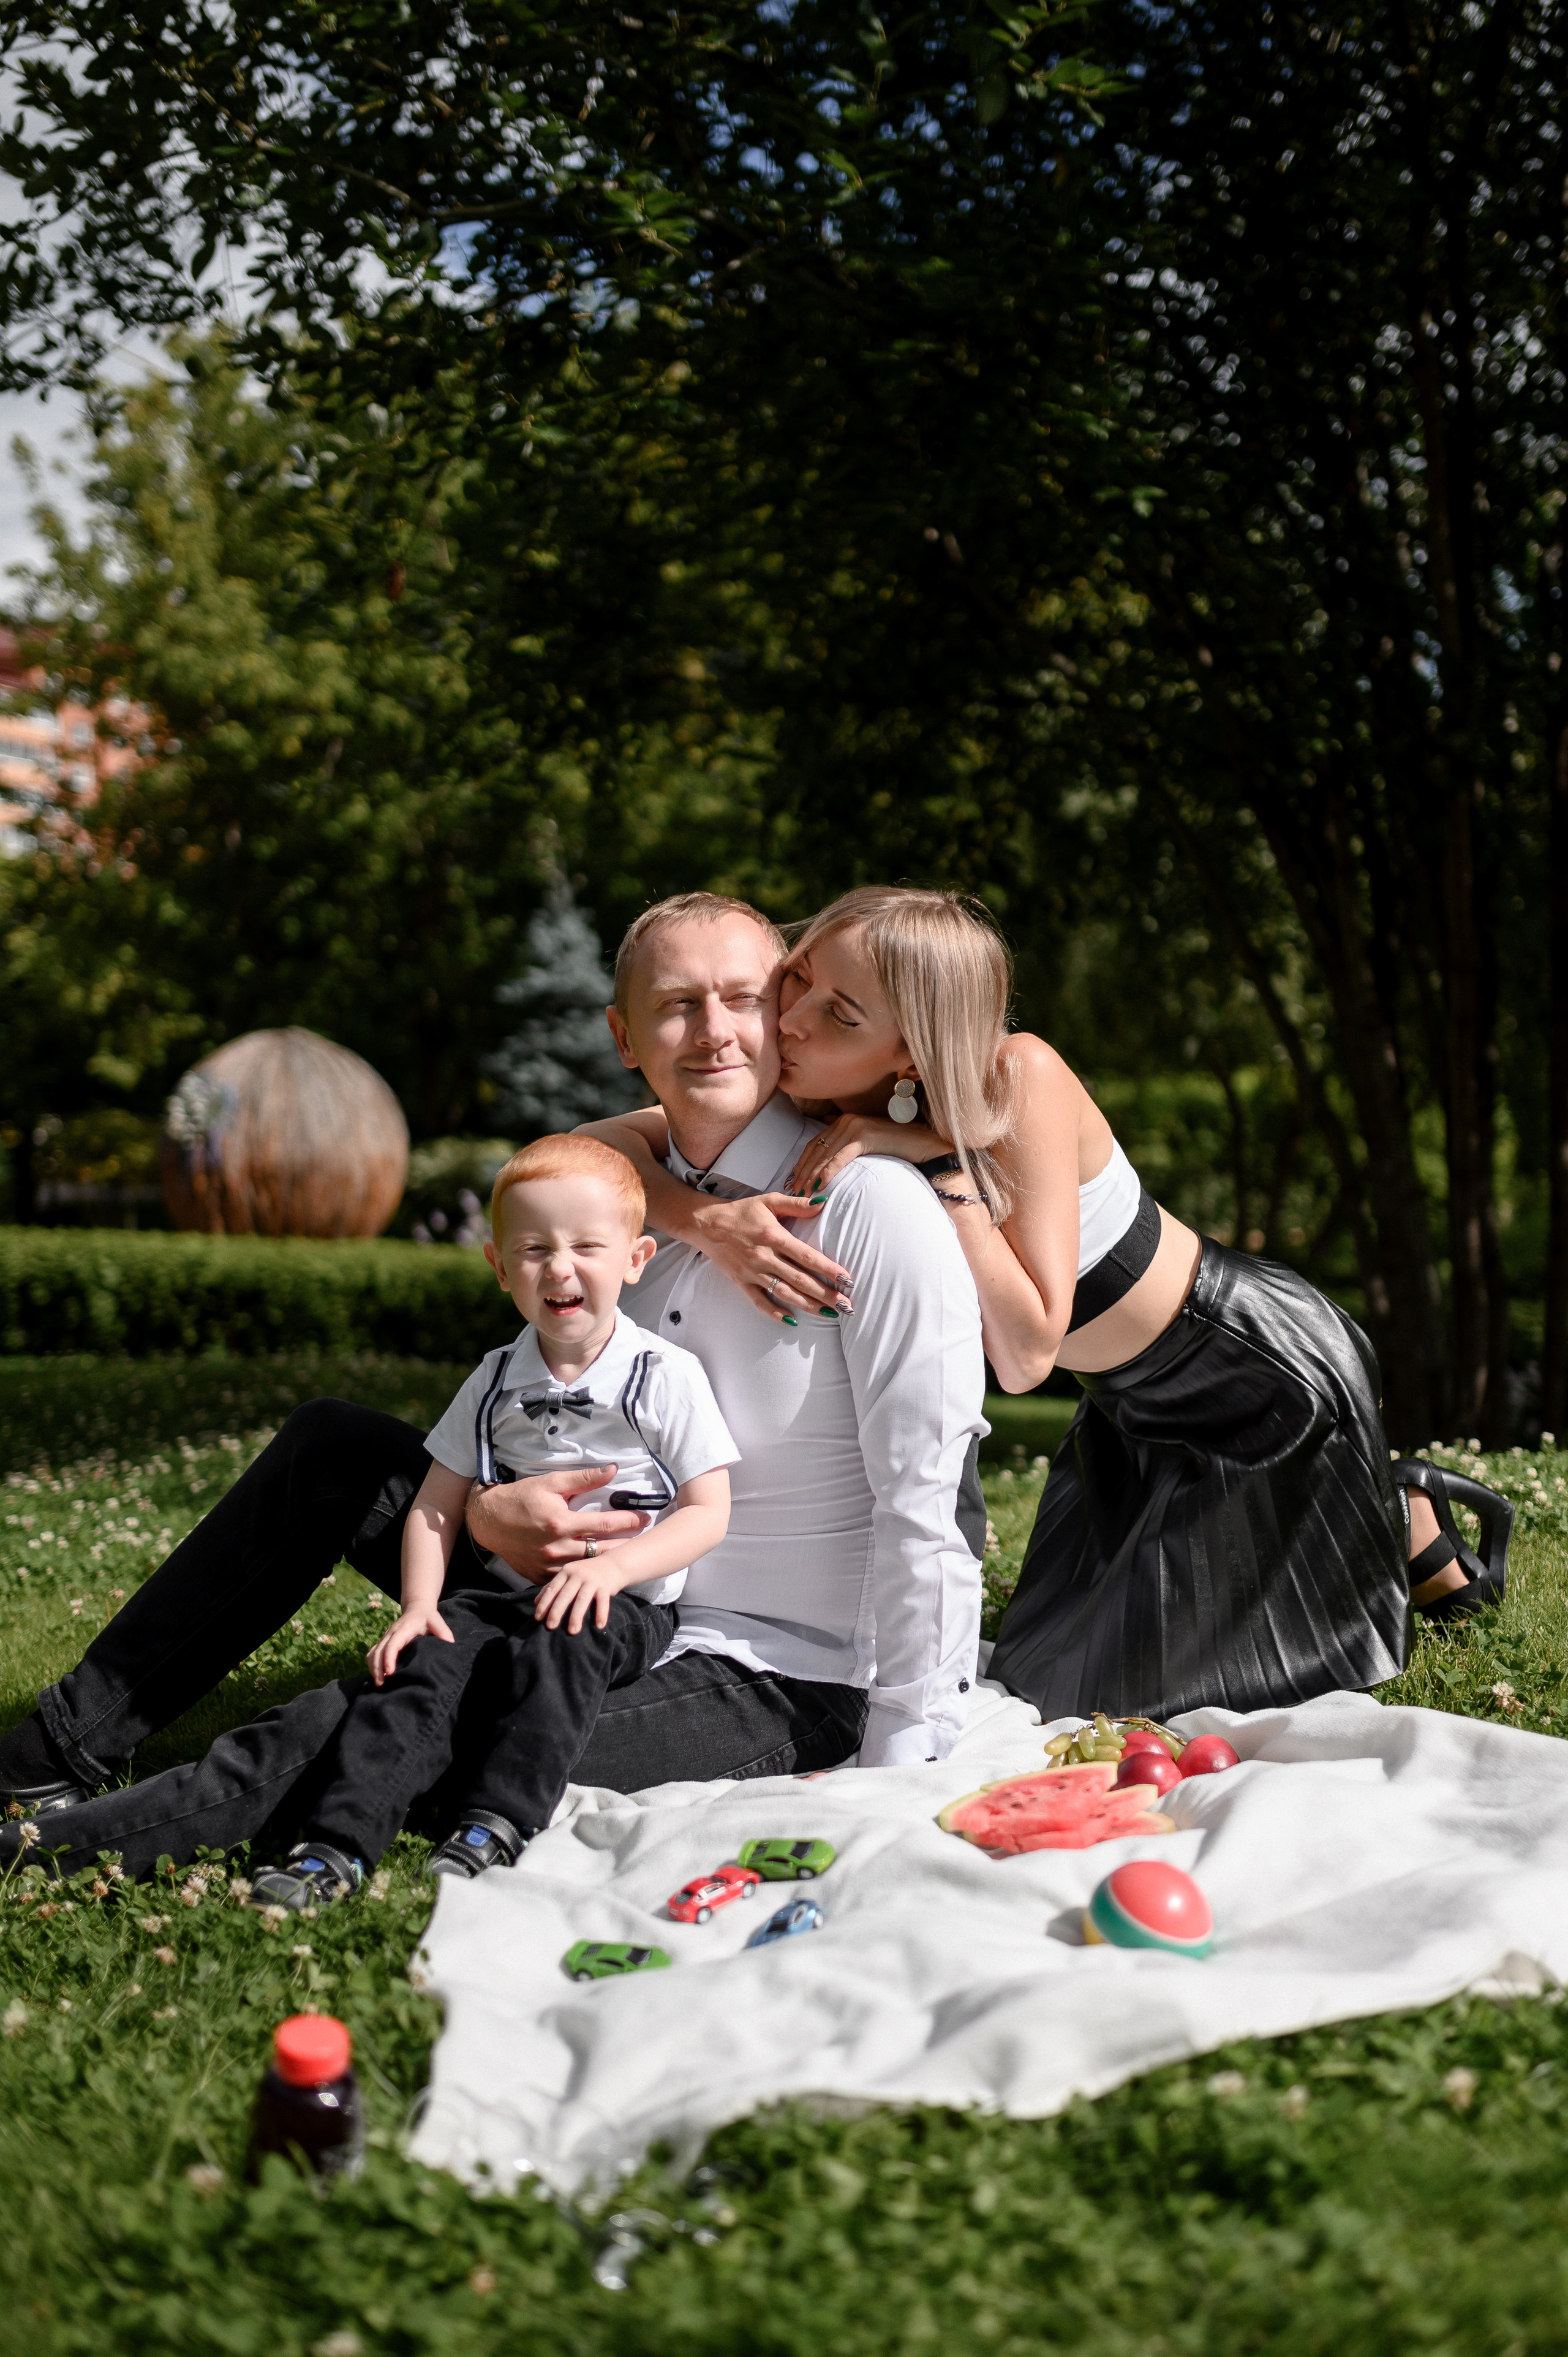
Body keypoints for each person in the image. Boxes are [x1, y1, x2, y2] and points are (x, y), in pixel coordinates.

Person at [0, 891, 985, 1875]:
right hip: (594, 1597)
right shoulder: (620, 1217)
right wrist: (487, 1514)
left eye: (742, 997)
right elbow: (554, 1375)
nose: (715, 1030)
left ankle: (49, 1851)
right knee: (332, 1447)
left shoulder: (867, 1206)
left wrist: (903, 1755)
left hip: (775, 1670)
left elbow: (928, 1502)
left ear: (782, 1013)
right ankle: (52, 1754)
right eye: (678, 1004)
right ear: (624, 1036)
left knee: (395, 1712)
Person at [591, 885, 1516, 1726]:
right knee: (1046, 1678)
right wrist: (708, 1222)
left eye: (836, 1011)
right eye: (796, 984)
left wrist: (933, 1162)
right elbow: (595, 1140)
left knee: (1163, 1699)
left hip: (1250, 1374)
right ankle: (1378, 1505)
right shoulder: (839, 1085)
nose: (784, 1021)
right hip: (1129, 1405)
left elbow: (1028, 1350)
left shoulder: (1017, 1077)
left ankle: (1394, 1506)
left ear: (911, 1043)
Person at [241, 1133, 737, 1911]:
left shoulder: (661, 1374)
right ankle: (335, 1844)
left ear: (636, 1260)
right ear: (500, 1268)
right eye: (534, 1249)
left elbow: (708, 1511)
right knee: (422, 1670)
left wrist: (611, 1568)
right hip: (500, 1591)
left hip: (622, 1603)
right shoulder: (496, 1376)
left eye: (585, 1246)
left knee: (563, 1649)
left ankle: (494, 1820)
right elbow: (436, 1505)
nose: (560, 1267)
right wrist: (418, 1606)